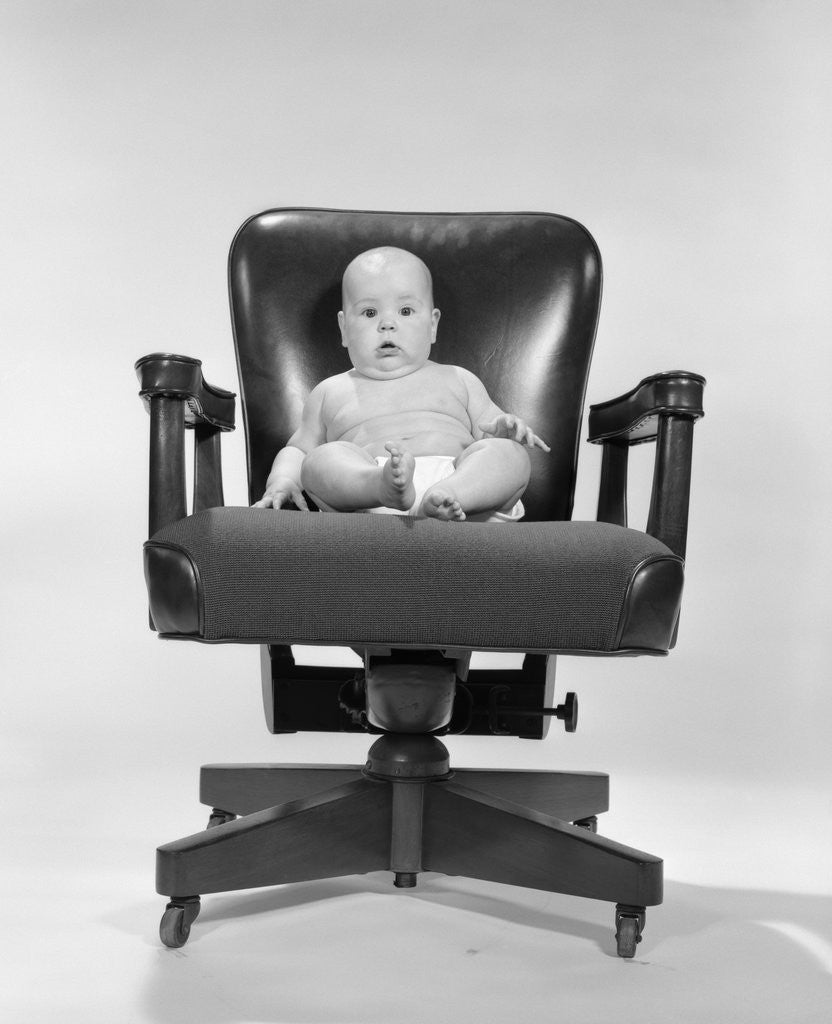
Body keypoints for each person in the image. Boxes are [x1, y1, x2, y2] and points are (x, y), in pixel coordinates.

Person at [253, 246, 549, 522]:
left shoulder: (459, 378)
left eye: (405, 311)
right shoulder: (330, 391)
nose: (387, 324)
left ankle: (446, 496)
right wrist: (283, 481)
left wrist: (505, 431)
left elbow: (490, 430)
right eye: (370, 313)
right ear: (344, 328)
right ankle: (385, 488)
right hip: (369, 491)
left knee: (511, 456)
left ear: (432, 324)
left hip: (462, 484)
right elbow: (299, 450)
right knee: (318, 461)